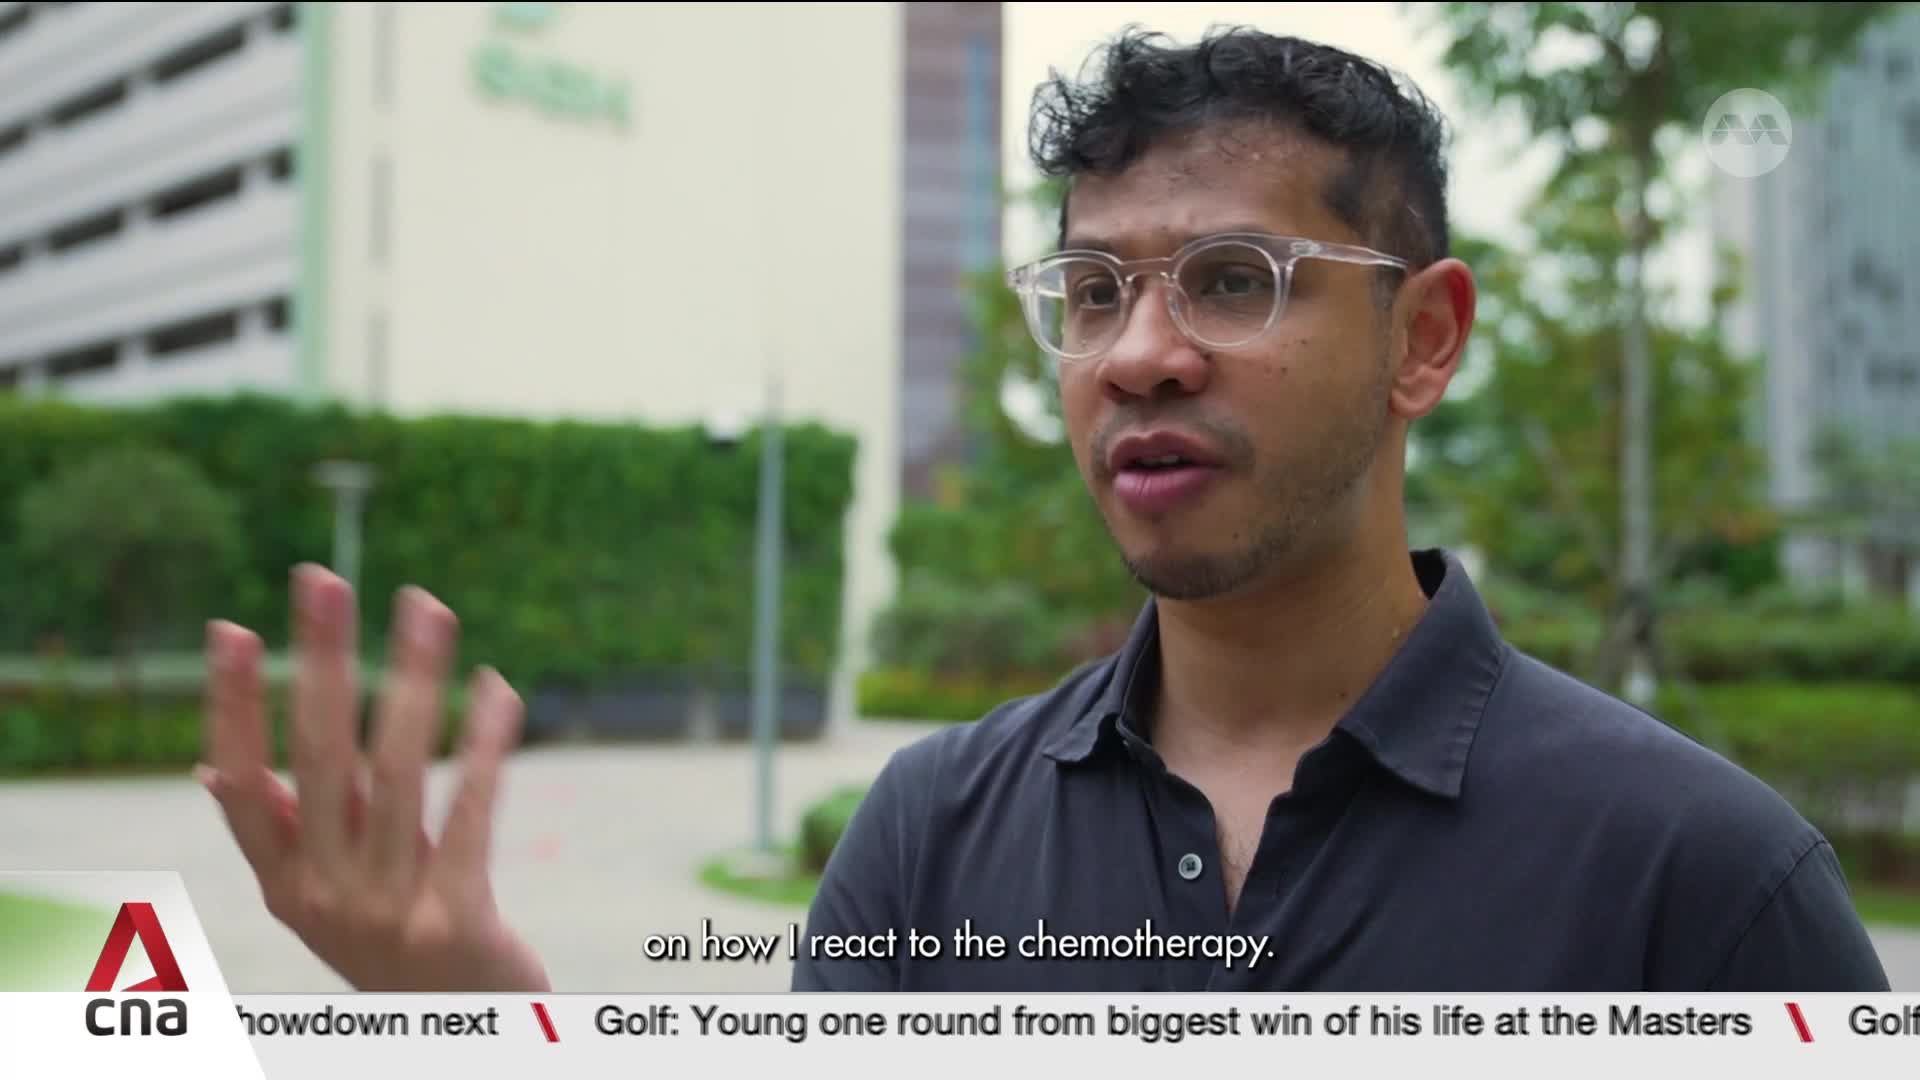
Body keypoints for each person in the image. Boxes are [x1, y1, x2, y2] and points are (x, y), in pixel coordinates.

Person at [198, 26, 1890, 993]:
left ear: (1424, 337)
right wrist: (486, 1024)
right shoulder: (930, 835)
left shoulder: (1703, 883)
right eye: (1090, 292)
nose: (1140, 354)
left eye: (1236, 279)